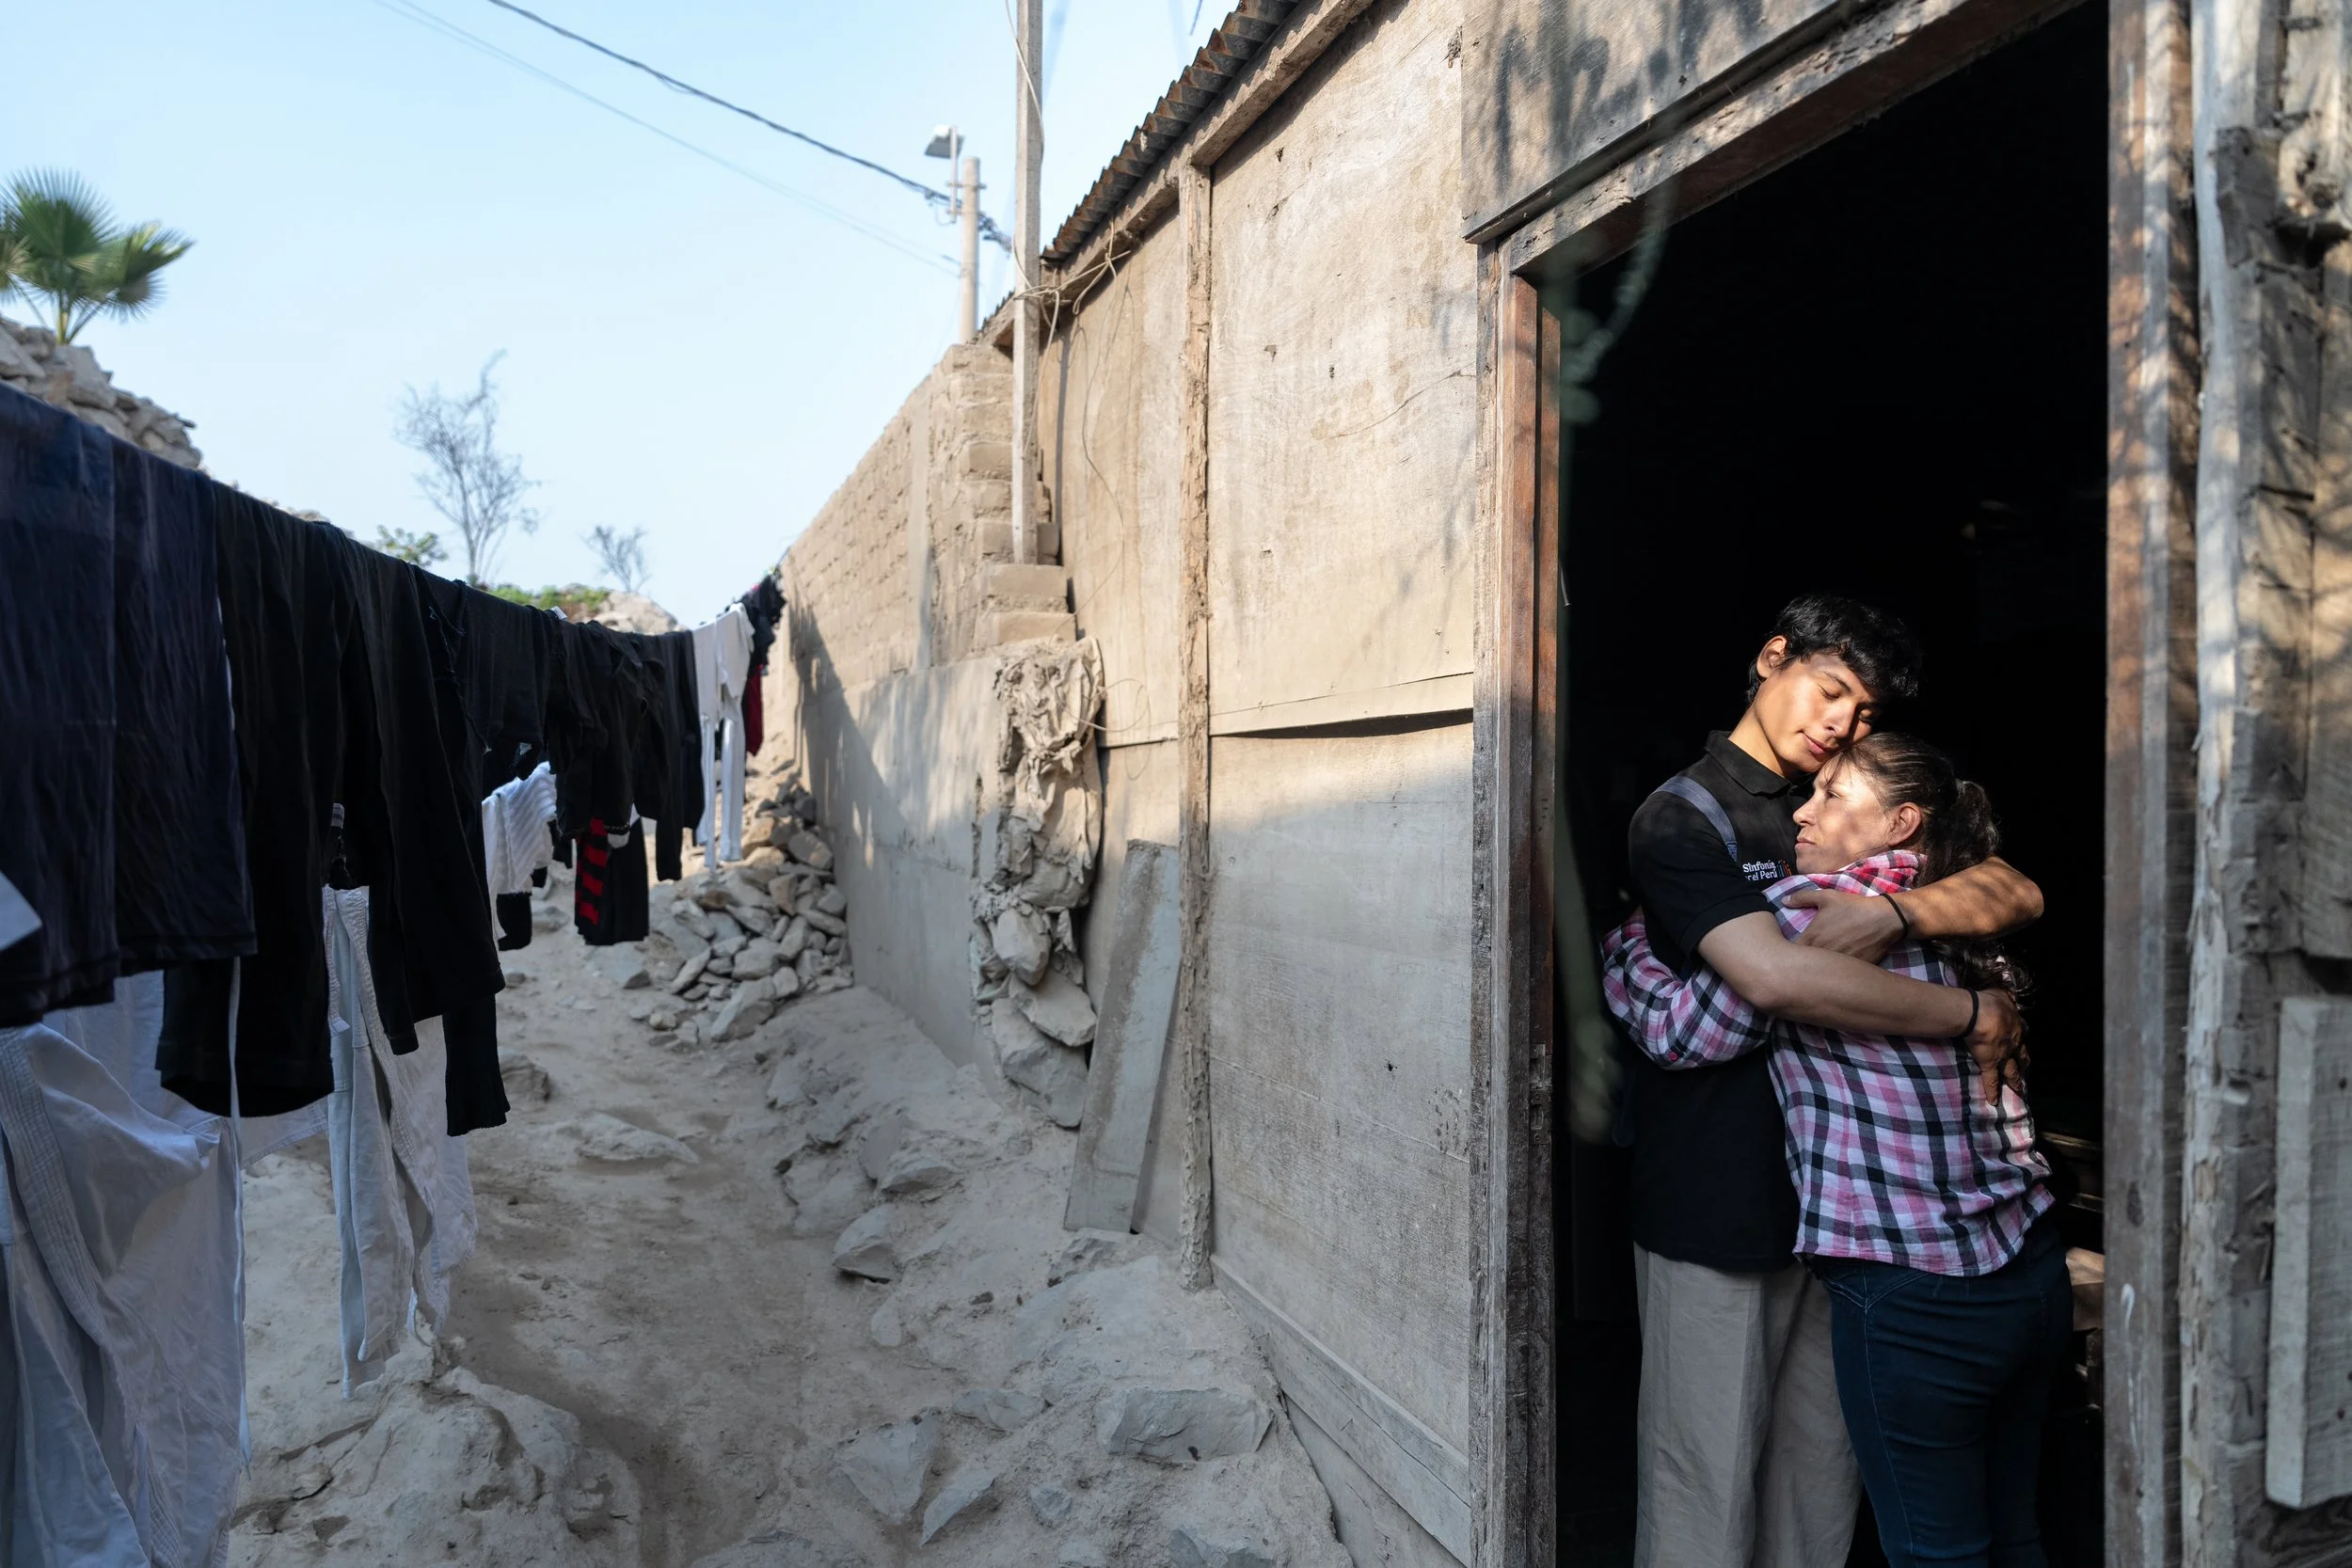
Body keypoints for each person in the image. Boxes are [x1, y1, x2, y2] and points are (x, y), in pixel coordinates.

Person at [1612, 594, 2042, 1568]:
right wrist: (1974, 1013)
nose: (1839, 722)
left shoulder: (1848, 795)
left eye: (1862, 711)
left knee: (1820, 1480)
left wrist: (1896, 916)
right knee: (1704, 1486)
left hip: (1845, 1214)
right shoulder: (1683, 817)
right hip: (1715, 1199)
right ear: (1772, 659)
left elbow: (2015, 885)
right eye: (1830, 687)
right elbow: (1769, 975)